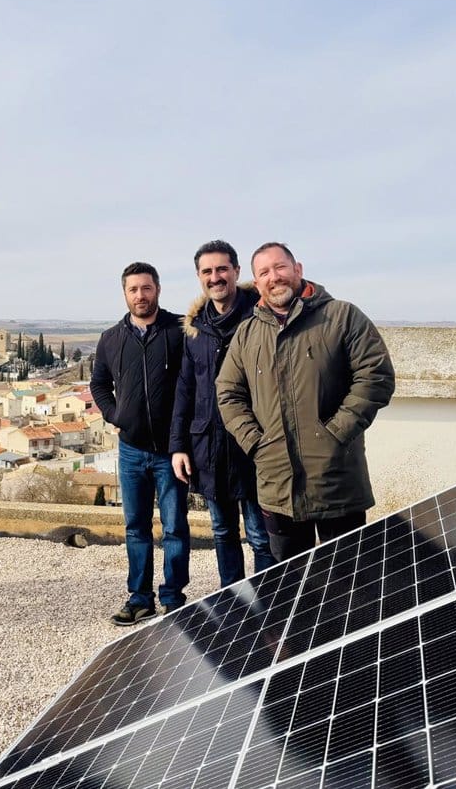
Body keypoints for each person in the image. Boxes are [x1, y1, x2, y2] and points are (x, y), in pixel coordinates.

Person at [216, 243, 394, 562]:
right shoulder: (246, 334)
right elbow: (228, 393)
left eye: (280, 267)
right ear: (256, 283)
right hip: (277, 486)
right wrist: (256, 443)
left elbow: (376, 376)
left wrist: (336, 433)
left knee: (348, 585)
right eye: (264, 273)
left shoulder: (341, 317)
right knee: (292, 588)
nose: (275, 277)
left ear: (298, 269)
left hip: (337, 482)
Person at [170, 240, 276, 588]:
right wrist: (179, 446)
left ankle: (269, 608)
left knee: (261, 535)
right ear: (200, 277)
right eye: (207, 271)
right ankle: (233, 606)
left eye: (221, 269)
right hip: (209, 449)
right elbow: (186, 388)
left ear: (236, 272)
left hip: (253, 446)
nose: (215, 277)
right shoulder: (196, 328)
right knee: (222, 532)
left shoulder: (261, 318)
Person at [90, 262, 189, 625]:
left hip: (170, 449)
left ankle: (174, 597)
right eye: (133, 290)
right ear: (125, 294)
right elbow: (98, 384)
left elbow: (191, 384)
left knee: (176, 525)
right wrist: (116, 416)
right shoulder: (111, 338)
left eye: (146, 288)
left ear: (158, 290)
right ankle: (140, 597)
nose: (140, 296)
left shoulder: (179, 331)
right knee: (136, 525)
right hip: (131, 450)